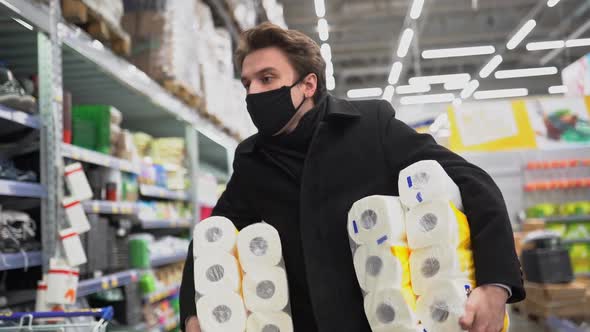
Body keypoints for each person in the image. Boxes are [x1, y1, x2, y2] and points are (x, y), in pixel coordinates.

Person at [180, 22, 525, 332]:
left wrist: (496, 284)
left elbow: (472, 180)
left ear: (308, 84)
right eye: (247, 83)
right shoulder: (252, 160)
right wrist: (193, 313)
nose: (253, 93)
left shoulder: (369, 127)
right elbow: (211, 236)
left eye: (266, 78)